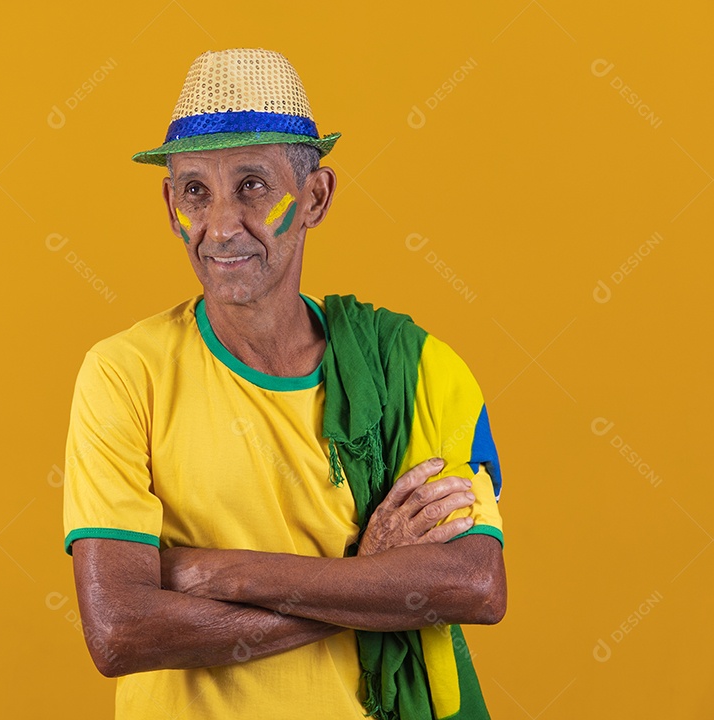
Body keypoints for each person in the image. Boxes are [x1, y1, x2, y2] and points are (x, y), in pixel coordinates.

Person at [61, 48, 506, 720]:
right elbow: (120, 630)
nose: (218, 226)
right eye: (194, 191)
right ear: (168, 202)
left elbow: (474, 584)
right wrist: (367, 578)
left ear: (316, 197)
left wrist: (205, 571)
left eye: (252, 185)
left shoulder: (413, 368)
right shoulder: (123, 373)